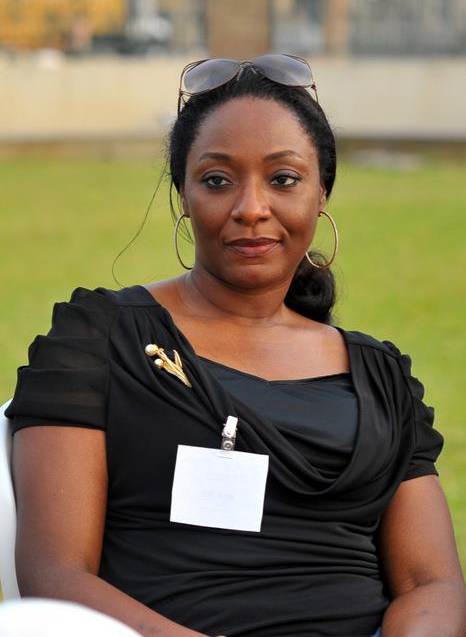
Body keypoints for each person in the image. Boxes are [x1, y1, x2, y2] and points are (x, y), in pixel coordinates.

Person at [6, 55, 465, 637]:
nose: (251, 208)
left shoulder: (380, 376)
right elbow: (56, 575)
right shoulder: (99, 340)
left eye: (284, 179)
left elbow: (431, 583)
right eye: (218, 180)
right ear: (184, 194)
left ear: (321, 193)